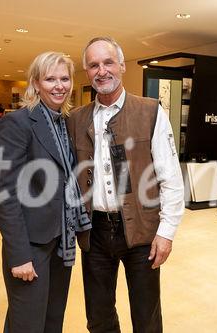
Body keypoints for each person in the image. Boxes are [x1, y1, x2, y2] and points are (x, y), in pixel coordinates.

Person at [66, 37, 185, 332]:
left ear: (121, 65)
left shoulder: (150, 111)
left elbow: (170, 177)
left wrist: (166, 233)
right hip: (94, 232)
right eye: (93, 65)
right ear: (86, 71)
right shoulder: (76, 119)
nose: (101, 71)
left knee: (146, 317)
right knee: (99, 316)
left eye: (108, 62)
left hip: (142, 231)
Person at [0, 51, 91, 333]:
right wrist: (19, 254)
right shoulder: (17, 123)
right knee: (27, 324)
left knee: (52, 320)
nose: (59, 85)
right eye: (50, 79)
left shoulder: (65, 123)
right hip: (31, 245)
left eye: (65, 78)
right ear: (35, 83)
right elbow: (4, 194)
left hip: (62, 239)